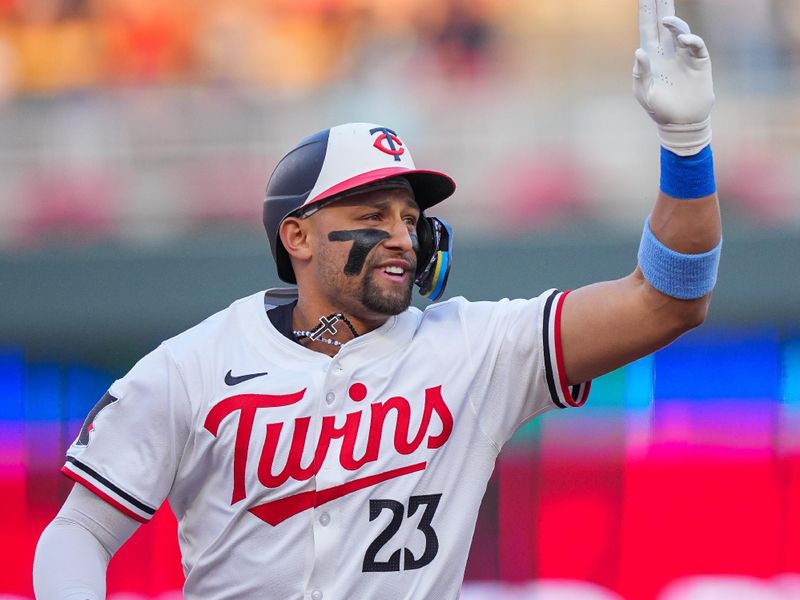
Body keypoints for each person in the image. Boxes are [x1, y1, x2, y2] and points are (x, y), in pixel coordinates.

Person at [33, 2, 720, 598]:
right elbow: (79, 533)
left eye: (409, 217)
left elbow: (666, 301)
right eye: (372, 212)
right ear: (297, 235)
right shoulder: (191, 366)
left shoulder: (474, 348)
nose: (401, 235)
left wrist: (685, 145)